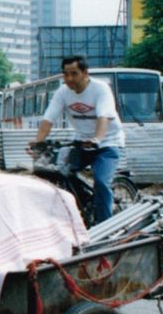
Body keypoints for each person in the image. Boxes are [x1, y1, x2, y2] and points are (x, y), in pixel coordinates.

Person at [30, 55, 125, 224]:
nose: (69, 79)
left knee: (101, 182)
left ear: (85, 73)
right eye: (66, 74)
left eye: (74, 74)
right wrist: (38, 143)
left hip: (107, 143)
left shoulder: (100, 89)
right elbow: (48, 119)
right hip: (81, 142)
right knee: (57, 171)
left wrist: (97, 138)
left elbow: (104, 116)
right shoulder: (63, 92)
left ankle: (105, 226)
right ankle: (82, 205)